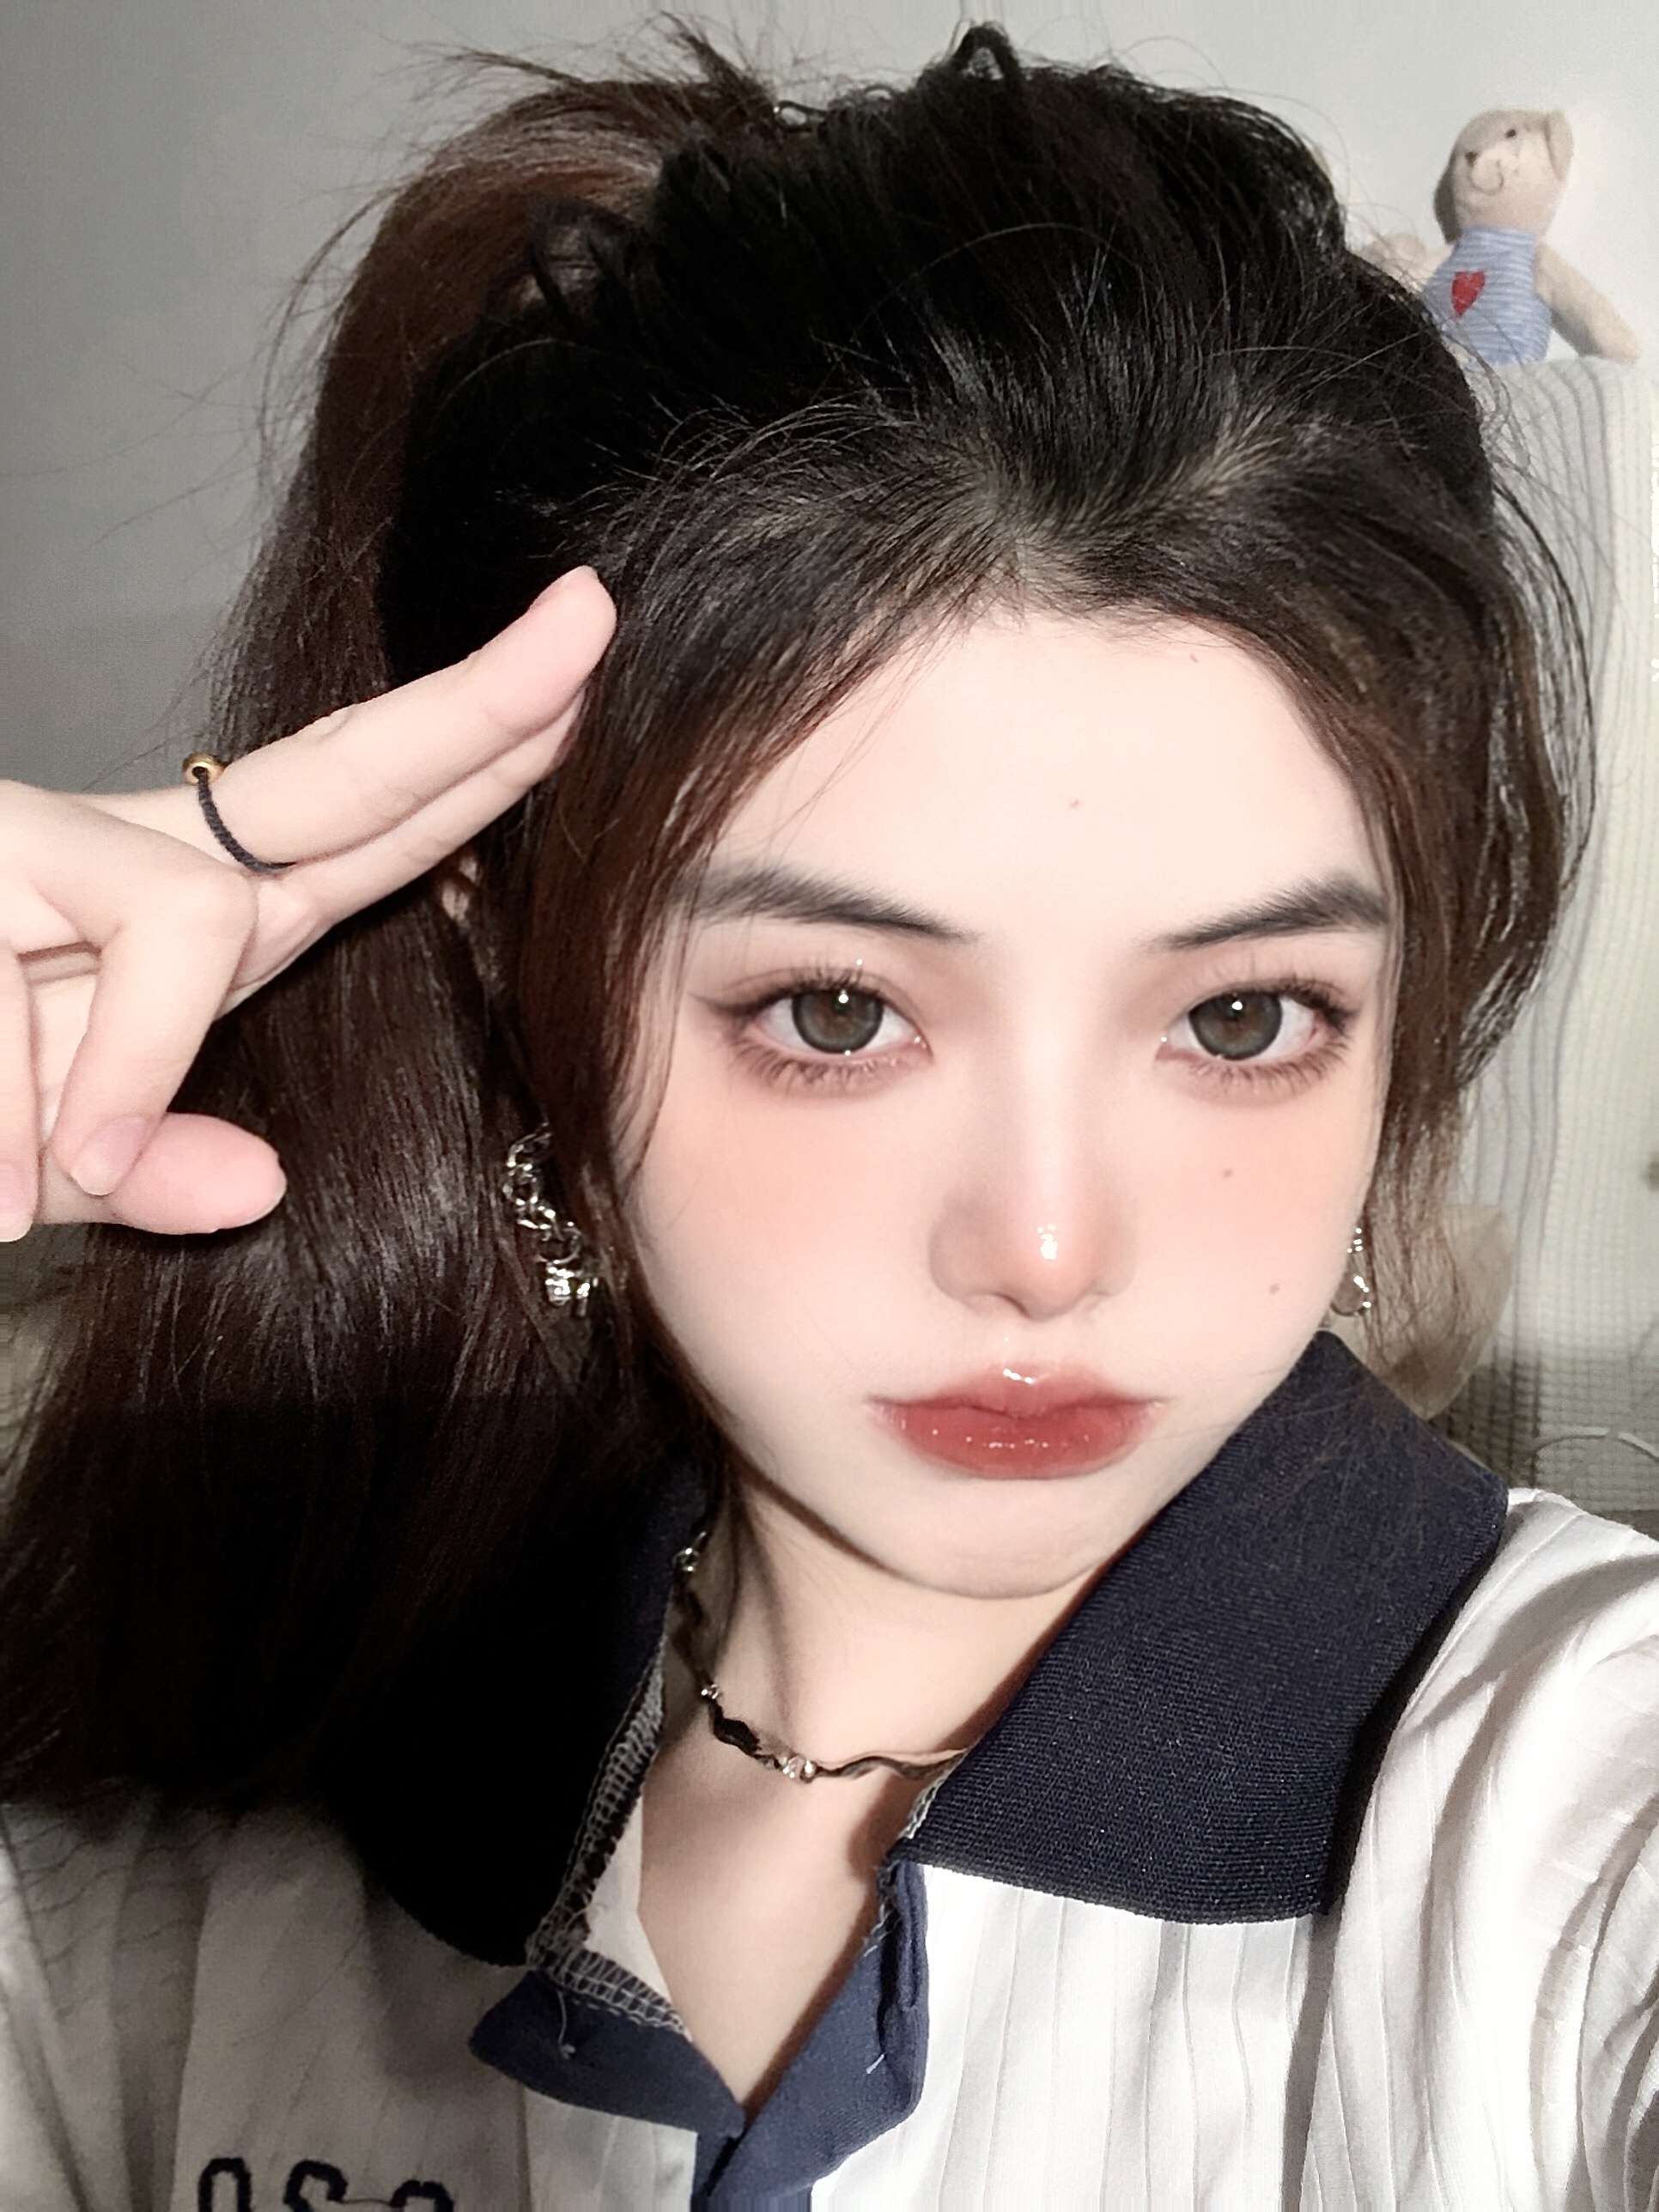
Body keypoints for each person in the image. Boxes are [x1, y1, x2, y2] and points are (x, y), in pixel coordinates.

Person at [1, 27, 1654, 2209]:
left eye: (1243, 1015)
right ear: (526, 986)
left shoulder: (1568, 1809)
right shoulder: (200, 1860)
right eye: (842, 1010)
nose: (1047, 1249)